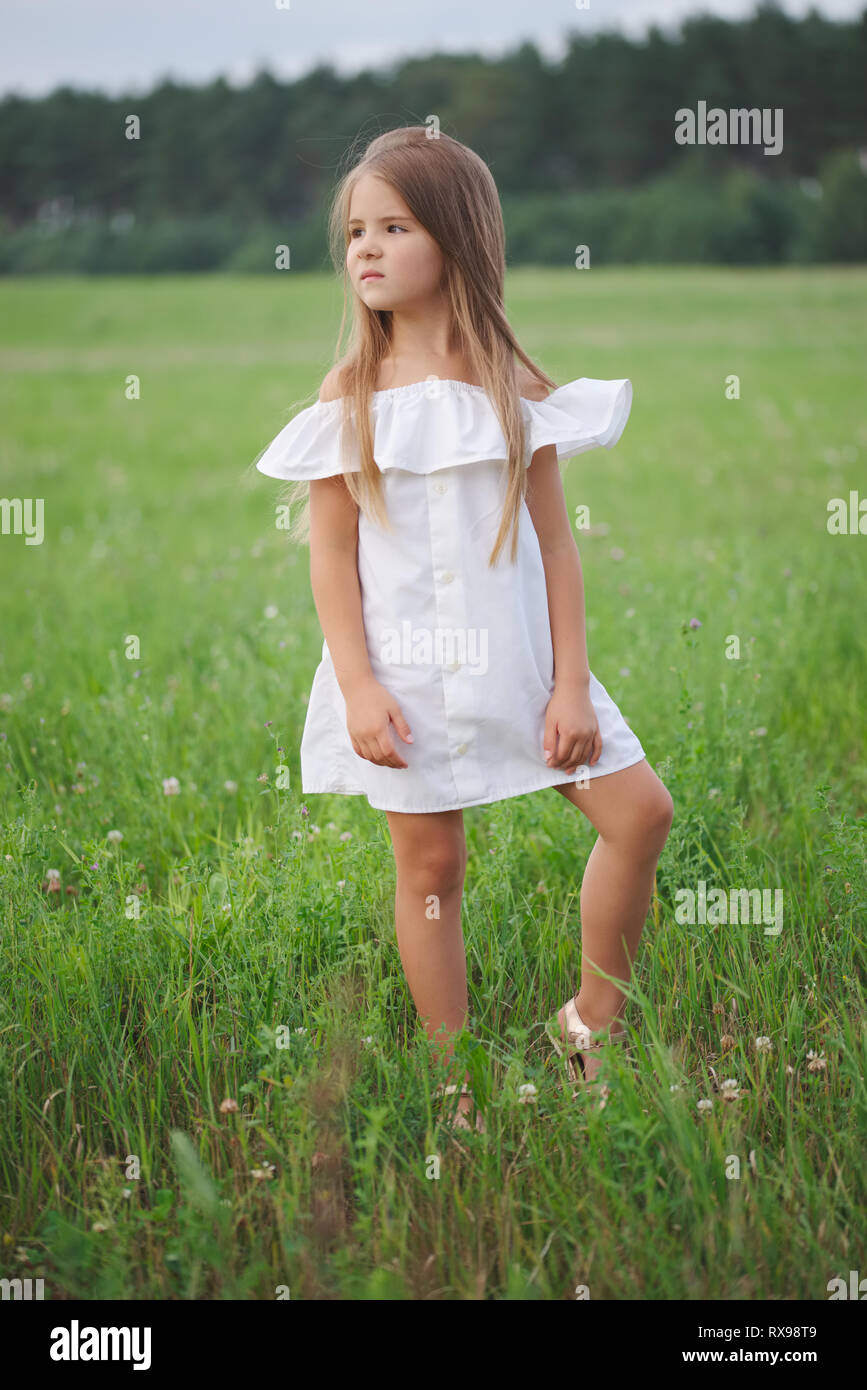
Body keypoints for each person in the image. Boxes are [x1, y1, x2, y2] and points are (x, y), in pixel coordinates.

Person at [255, 126, 674, 1135]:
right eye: (355, 229)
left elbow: (558, 546)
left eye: (393, 226)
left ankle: (590, 1022)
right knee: (431, 868)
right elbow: (330, 559)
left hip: (525, 667)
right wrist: (357, 687)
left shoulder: (515, 387)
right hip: (399, 673)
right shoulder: (347, 397)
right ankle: (456, 1084)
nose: (364, 246)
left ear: (457, 236)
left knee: (641, 813)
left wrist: (571, 683)